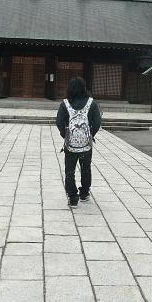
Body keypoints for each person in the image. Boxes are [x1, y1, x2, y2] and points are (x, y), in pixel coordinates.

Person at [56, 77, 101, 208]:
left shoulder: (65, 103)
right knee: (86, 168)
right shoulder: (92, 103)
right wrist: (90, 135)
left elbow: (59, 122)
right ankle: (84, 193)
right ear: (84, 88)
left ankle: (72, 197)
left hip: (70, 144)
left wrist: (65, 135)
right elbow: (97, 122)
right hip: (86, 144)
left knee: (69, 171)